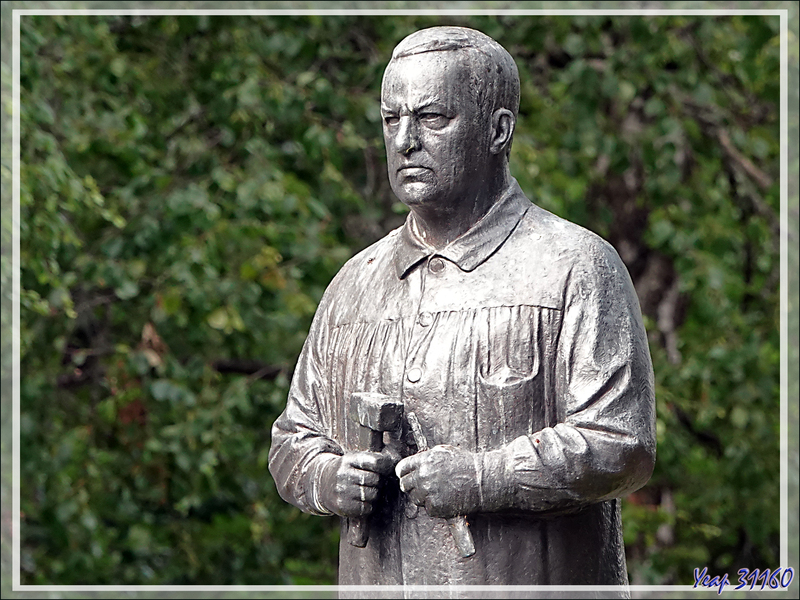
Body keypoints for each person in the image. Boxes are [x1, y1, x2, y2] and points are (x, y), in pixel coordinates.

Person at [269, 26, 656, 588]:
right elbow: (291, 440)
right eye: (390, 119)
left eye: (431, 119)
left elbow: (622, 444)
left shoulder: (576, 266)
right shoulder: (353, 286)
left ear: (498, 130)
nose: (405, 141)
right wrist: (329, 478)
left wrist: (485, 476)